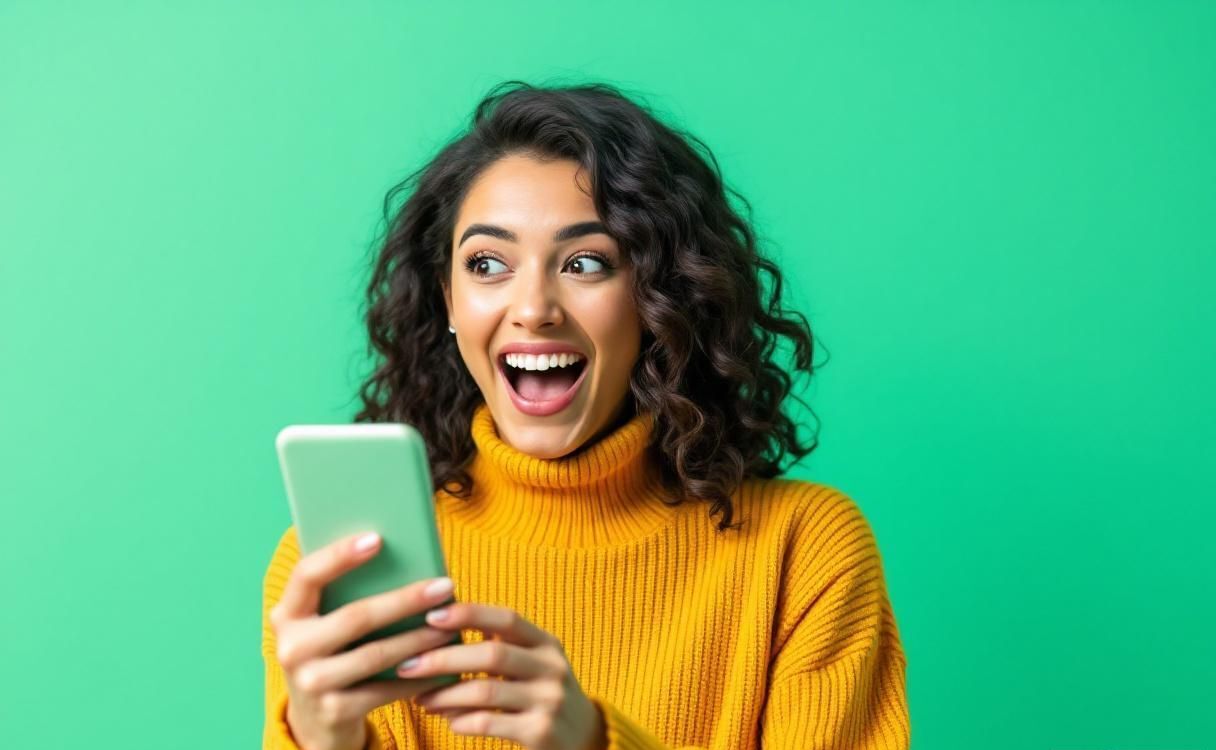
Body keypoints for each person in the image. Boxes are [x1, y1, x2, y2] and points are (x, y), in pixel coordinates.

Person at [261, 80, 910, 750]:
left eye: (586, 262)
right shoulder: (333, 573)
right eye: (487, 263)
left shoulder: (805, 552)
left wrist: (595, 742)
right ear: (448, 300)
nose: (534, 306)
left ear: (659, 298)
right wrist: (322, 741)